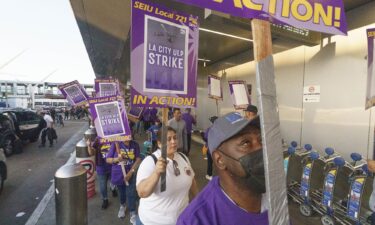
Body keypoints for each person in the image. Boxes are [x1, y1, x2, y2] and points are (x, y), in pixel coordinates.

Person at [177, 112, 268, 225]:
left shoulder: (276, 197)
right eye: (245, 143)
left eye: (261, 140)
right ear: (219, 160)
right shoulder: (195, 220)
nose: (261, 148)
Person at [136, 127, 198, 225]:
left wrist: (198, 200)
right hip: (152, 221)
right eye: (168, 139)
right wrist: (156, 173)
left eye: (175, 138)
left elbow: (192, 180)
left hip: (182, 220)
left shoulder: (183, 157)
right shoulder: (150, 161)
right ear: (159, 143)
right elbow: (142, 193)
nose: (173, 141)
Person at [106, 140, 142, 224]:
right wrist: (116, 159)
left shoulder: (135, 144)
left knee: (131, 193)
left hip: (131, 174)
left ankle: (132, 212)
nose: (127, 137)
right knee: (122, 193)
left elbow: (138, 159)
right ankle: (122, 205)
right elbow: (108, 159)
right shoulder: (116, 144)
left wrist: (131, 172)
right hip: (119, 173)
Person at [87, 137, 117, 209]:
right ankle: (105, 199)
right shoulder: (98, 139)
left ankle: (113, 188)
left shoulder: (114, 137)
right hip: (101, 166)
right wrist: (89, 145)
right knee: (102, 186)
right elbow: (91, 153)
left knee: (113, 181)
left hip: (113, 165)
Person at [202, 116, 218, 181]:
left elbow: (205, 138)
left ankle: (209, 175)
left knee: (210, 162)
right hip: (218, 149)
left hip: (211, 149)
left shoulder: (209, 129)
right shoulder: (221, 129)